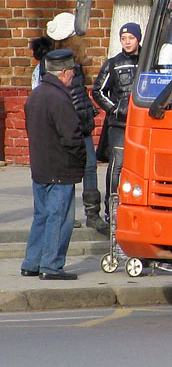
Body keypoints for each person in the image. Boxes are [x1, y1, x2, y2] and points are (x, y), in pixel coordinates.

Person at [20, 49, 86, 280]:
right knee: (59, 217)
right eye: (72, 73)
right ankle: (51, 265)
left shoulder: (36, 95)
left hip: (40, 166)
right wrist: (81, 160)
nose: (73, 77)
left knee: (42, 216)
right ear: (65, 72)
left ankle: (32, 262)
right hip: (60, 167)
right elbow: (72, 136)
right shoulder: (60, 98)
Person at [43, 12, 106, 234]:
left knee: (89, 167)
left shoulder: (76, 65)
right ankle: (66, 214)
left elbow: (80, 95)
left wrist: (87, 113)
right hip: (68, 126)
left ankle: (92, 213)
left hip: (82, 125)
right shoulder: (54, 65)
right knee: (66, 171)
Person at [94, 22, 142, 221]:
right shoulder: (113, 63)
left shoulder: (148, 62)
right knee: (117, 166)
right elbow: (98, 91)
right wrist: (114, 109)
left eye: (131, 38)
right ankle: (111, 208)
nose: (127, 42)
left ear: (138, 39)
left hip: (141, 124)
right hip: (119, 126)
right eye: (123, 39)